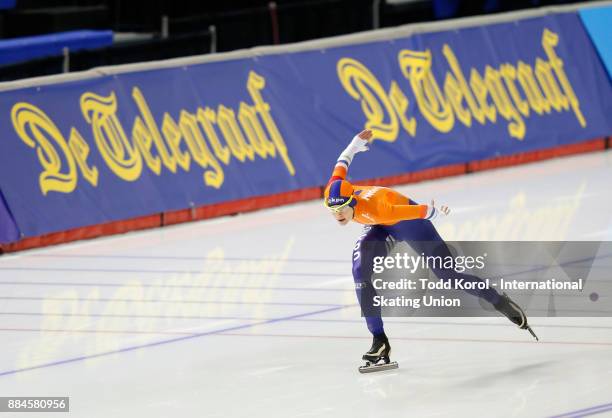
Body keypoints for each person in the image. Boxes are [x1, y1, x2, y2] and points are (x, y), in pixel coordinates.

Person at [324, 129, 537, 372]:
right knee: (360, 270)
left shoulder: (381, 207)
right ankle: (379, 341)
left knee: (449, 276)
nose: (338, 214)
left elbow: (415, 212)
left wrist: (432, 211)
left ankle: (498, 300)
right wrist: (354, 145)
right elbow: (341, 163)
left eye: (341, 209)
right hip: (380, 226)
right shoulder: (334, 189)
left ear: (352, 202)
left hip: (410, 223)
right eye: (333, 210)